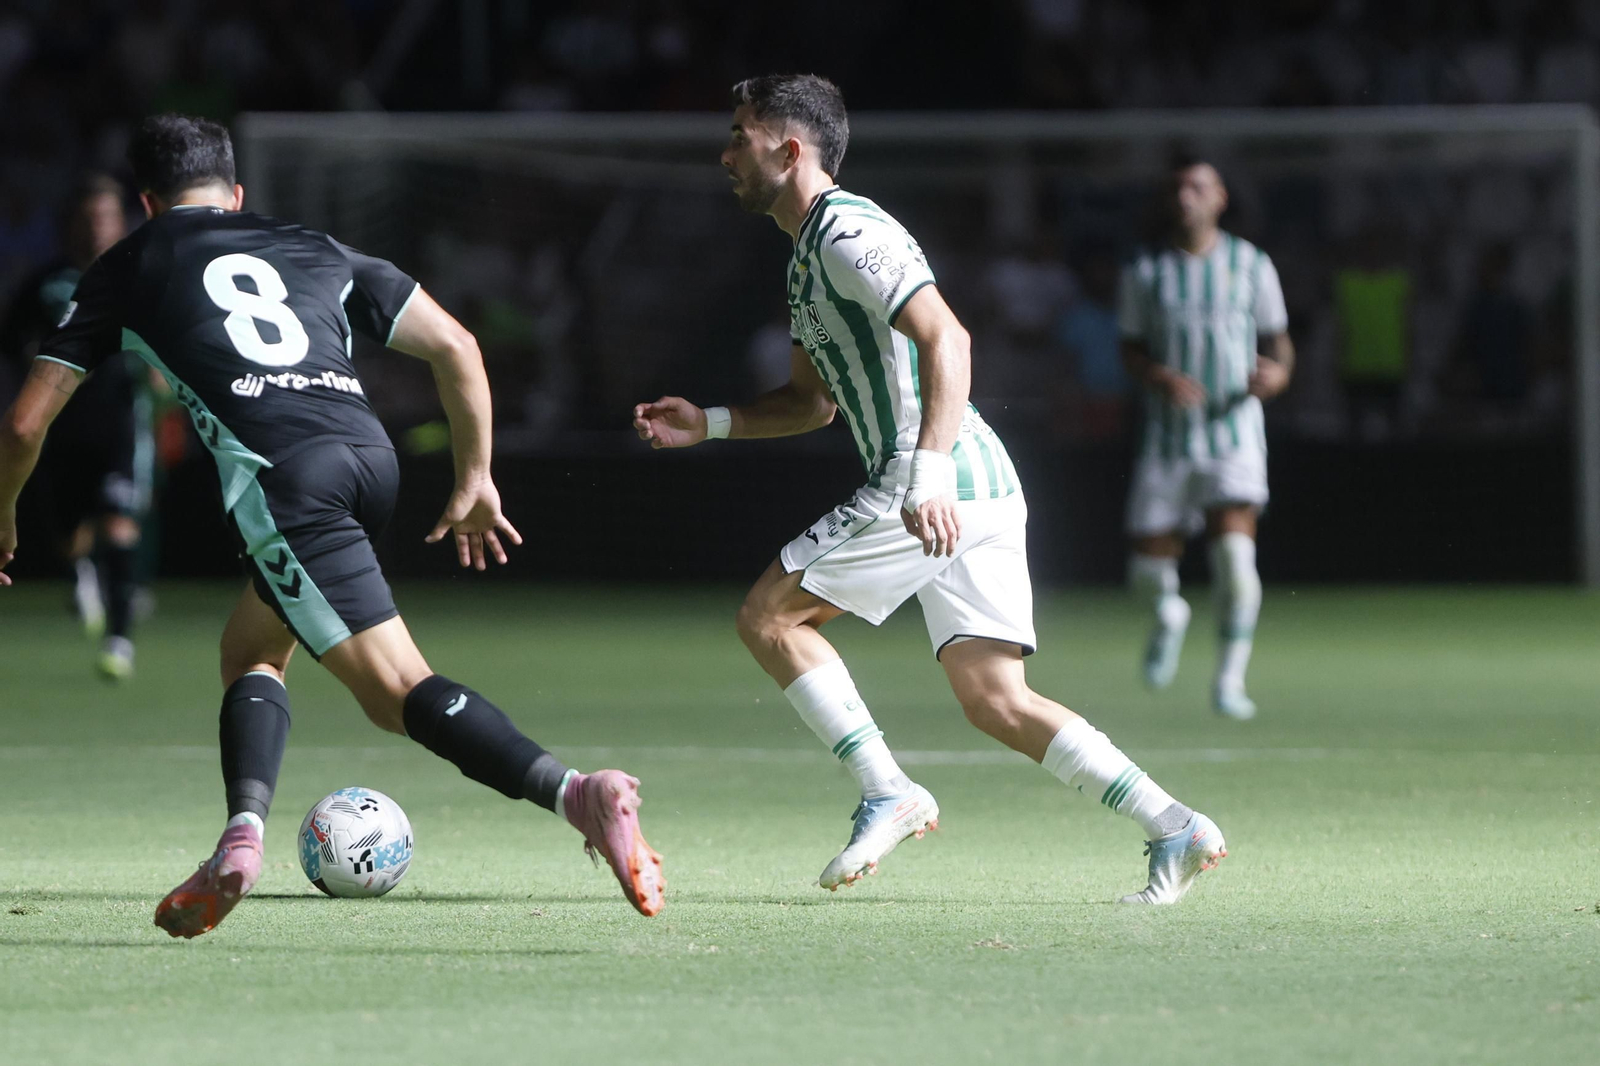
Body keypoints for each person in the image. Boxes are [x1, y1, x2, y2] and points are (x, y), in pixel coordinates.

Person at [0, 114, 664, 936]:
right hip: (368, 456)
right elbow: (458, 345)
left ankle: (577, 794)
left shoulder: (128, 265)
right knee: (249, 648)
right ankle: (241, 836)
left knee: (396, 694)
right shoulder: (313, 244)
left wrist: (4, 517)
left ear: (146, 203)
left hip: (288, 487)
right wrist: (476, 477)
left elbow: (25, 427)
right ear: (236, 194)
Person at [633, 75, 1225, 904]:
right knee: (996, 701)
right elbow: (810, 404)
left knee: (769, 618)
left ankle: (888, 791)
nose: (726, 152)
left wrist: (926, 472)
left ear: (790, 148)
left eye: (740, 133)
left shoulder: (848, 231)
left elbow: (949, 335)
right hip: (971, 484)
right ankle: (1176, 826)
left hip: (933, 480)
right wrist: (712, 423)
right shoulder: (807, 256)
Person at [1120, 157, 1295, 720]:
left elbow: (1279, 342)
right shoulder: (1146, 271)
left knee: (1236, 562)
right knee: (1147, 569)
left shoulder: (1251, 264)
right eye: (1177, 186)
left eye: (1198, 185)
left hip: (1234, 433)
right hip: (1168, 439)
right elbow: (1130, 348)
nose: (1186, 195)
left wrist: (1280, 374)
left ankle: (1229, 681)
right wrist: (1159, 377)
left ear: (1221, 197)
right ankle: (1169, 614)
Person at [0, 174, 155, 679]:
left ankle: (120, 640)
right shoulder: (49, 281)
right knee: (72, 535)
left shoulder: (140, 277)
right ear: (72, 225)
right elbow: (11, 336)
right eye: (89, 218)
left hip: (121, 421)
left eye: (107, 217)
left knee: (119, 523)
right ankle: (80, 575)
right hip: (61, 427)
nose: (98, 228)